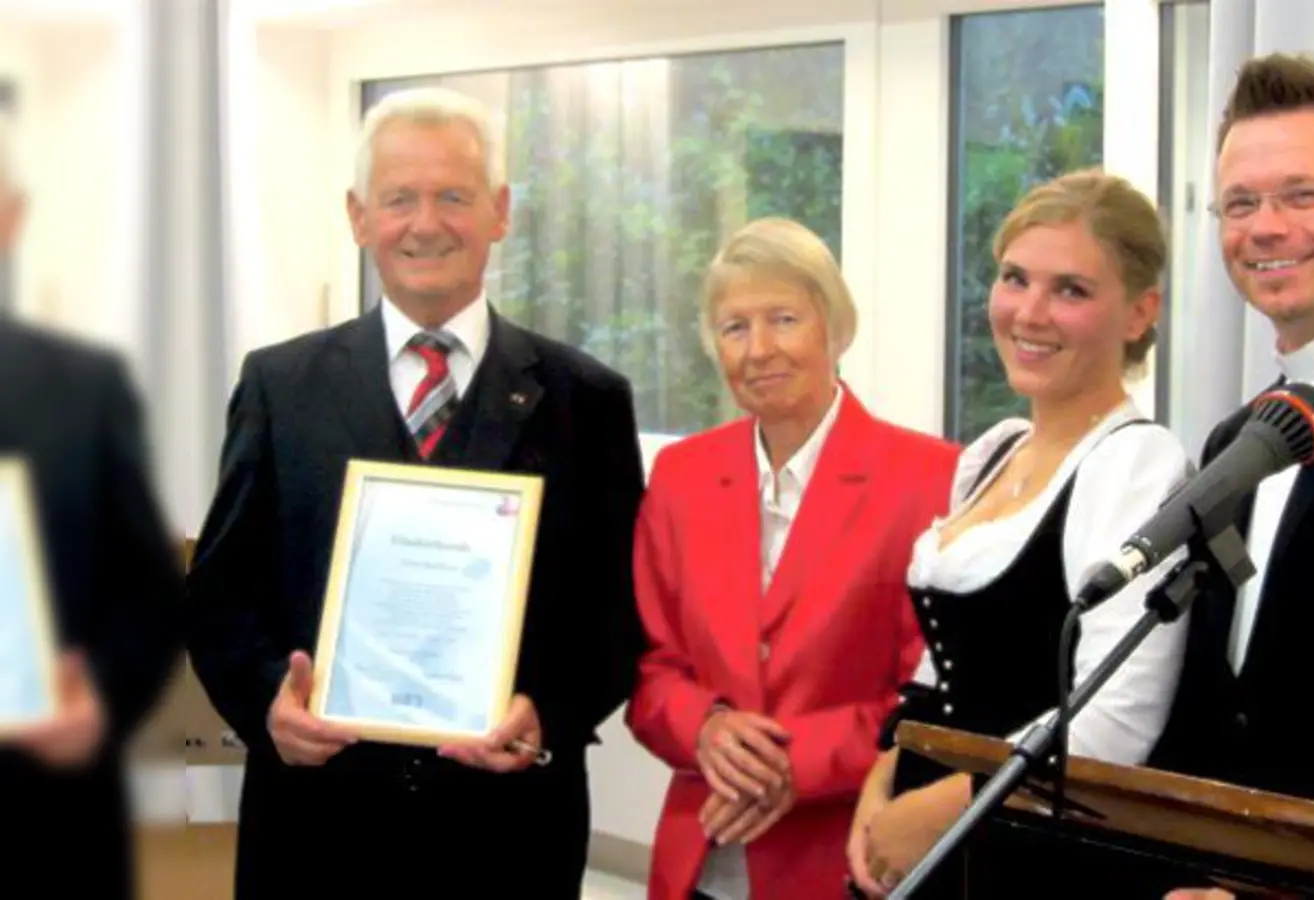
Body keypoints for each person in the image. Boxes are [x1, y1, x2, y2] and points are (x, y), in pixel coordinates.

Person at [185, 87, 646, 899]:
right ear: (360, 217)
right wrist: (267, 705)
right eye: (399, 198)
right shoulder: (278, 383)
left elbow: (618, 615)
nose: (425, 223)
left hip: (508, 834)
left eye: (454, 197)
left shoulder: (587, 398)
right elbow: (221, 597)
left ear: (500, 212)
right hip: (315, 827)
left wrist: (547, 714)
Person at [847, 169, 1192, 898]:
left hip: (1023, 853)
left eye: (1071, 289)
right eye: (1014, 278)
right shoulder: (993, 453)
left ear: (1140, 313)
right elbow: (937, 675)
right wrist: (879, 796)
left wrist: (936, 816)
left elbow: (1114, 724)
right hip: (925, 832)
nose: (1029, 313)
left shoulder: (1134, 465)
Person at [626, 218, 958, 900]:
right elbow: (651, 667)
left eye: (784, 319)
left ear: (836, 327)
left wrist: (790, 766)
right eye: (734, 327)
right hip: (698, 854)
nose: (760, 350)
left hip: (844, 859)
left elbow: (930, 700)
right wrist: (705, 728)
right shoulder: (681, 476)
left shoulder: (931, 479)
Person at [1146, 53, 1314, 830]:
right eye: (1239, 203)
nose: (1266, 227)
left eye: (1304, 195)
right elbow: (1219, 708)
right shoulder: (1242, 442)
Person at [0, 114, 184, 898]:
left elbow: (148, 599)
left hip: (46, 820)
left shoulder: (86, 389)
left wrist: (98, 704)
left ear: (10, 217)